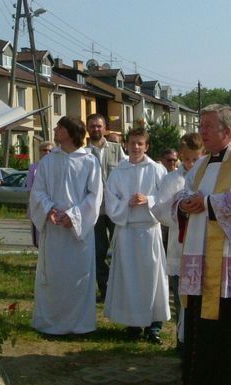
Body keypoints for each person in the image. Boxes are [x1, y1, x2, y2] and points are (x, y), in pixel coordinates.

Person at [175, 104, 231, 385]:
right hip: (200, 256)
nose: (201, 131)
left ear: (227, 130)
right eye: (201, 126)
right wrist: (183, 204)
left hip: (230, 257)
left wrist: (206, 202)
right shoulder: (200, 164)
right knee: (201, 317)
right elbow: (183, 192)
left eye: (208, 126)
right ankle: (201, 382)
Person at [29, 117, 102, 335]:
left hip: (78, 232)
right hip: (54, 230)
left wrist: (74, 216)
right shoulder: (48, 161)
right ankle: (51, 322)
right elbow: (38, 191)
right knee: (53, 276)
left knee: (78, 276)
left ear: (70, 132)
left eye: (59, 127)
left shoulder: (89, 161)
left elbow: (95, 196)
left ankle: (79, 324)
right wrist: (49, 209)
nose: (55, 129)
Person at [104, 128, 170, 342]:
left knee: (152, 278)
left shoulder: (157, 170)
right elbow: (110, 200)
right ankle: (132, 323)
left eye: (140, 143)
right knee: (129, 279)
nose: (136, 147)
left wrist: (149, 200)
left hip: (149, 230)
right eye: (132, 143)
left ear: (147, 146)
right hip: (127, 231)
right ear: (126, 145)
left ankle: (153, 325)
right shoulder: (118, 171)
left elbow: (166, 196)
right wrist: (127, 203)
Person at [154, 132, 203, 350]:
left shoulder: (207, 176)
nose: (191, 164)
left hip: (201, 244)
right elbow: (160, 209)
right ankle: (181, 341)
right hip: (179, 245)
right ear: (181, 155)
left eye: (195, 159)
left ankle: (196, 341)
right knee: (180, 296)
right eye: (187, 158)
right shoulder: (171, 179)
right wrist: (180, 209)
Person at [86, 113, 127, 301]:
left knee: (120, 250)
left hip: (116, 209)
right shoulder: (84, 153)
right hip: (95, 211)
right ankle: (105, 290)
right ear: (88, 129)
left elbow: (126, 174)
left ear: (105, 128)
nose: (96, 129)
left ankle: (120, 290)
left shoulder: (117, 150)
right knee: (97, 252)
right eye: (92, 126)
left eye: (99, 126)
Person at [26, 141, 54, 247]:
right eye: (44, 150)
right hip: (37, 204)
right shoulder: (34, 168)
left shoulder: (56, 167)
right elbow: (30, 188)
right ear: (40, 152)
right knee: (38, 236)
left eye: (50, 150)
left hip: (52, 205)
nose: (47, 152)